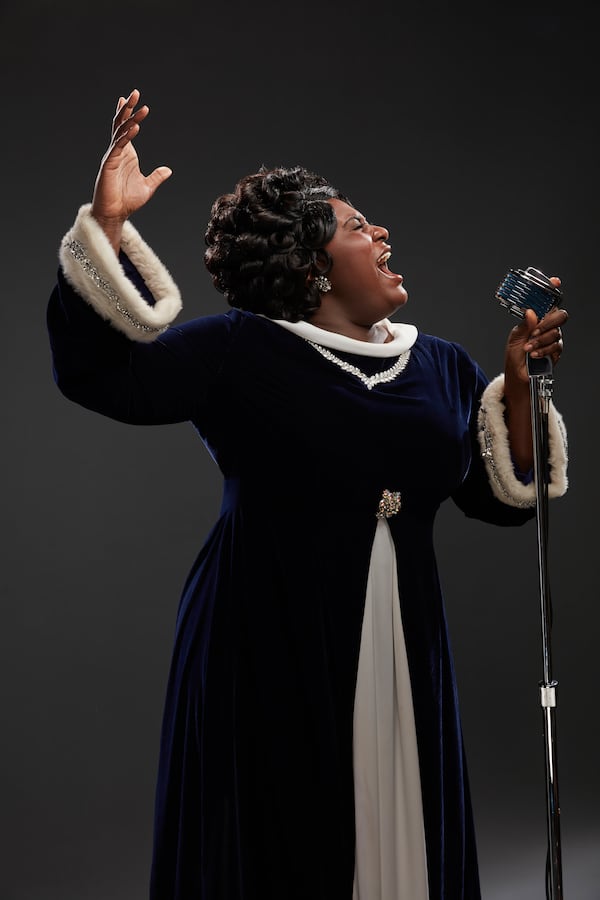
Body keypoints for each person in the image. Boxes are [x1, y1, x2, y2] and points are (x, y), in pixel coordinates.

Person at [46, 89, 569, 900]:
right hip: (264, 643)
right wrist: (108, 227)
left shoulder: (441, 367)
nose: (383, 234)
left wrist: (516, 390)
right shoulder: (238, 350)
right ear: (309, 263)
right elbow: (101, 377)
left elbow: (499, 499)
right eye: (359, 228)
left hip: (407, 645)